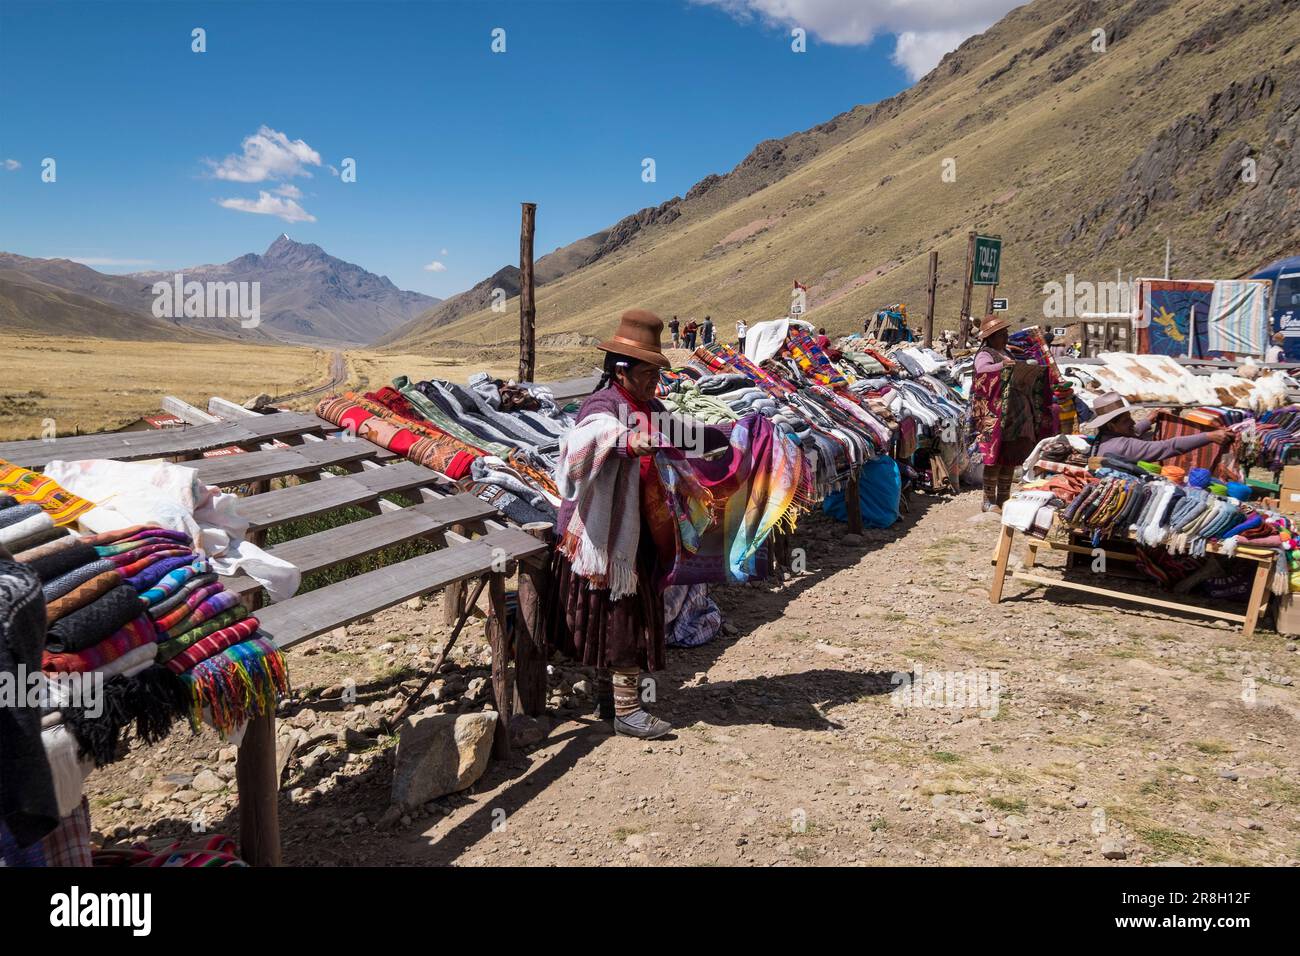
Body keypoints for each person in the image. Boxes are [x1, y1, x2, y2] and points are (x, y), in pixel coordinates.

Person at [547, 309, 724, 740]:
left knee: (625, 616)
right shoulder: (603, 406)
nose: (655, 383)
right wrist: (627, 442)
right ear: (622, 370)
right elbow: (584, 442)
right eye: (648, 374)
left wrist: (726, 438)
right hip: (606, 537)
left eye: (656, 375)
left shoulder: (648, 406)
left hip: (637, 529)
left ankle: (611, 701)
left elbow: (678, 433)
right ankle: (627, 712)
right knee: (622, 619)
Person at [969, 315, 1057, 512]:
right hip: (996, 413)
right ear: (990, 337)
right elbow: (982, 371)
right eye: (1001, 334)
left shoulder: (1006, 351)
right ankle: (988, 500)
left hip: (1013, 413)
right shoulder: (986, 354)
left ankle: (1004, 498)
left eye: (1006, 333)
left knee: (1009, 454)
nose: (1005, 337)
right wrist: (1002, 366)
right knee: (996, 454)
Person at [1085, 392, 1231, 463]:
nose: (1132, 422)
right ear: (1112, 425)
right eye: (1126, 420)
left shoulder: (1105, 438)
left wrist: (1148, 420)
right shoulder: (1121, 446)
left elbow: (1133, 431)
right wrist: (1209, 436)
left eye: (1130, 417)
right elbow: (1166, 447)